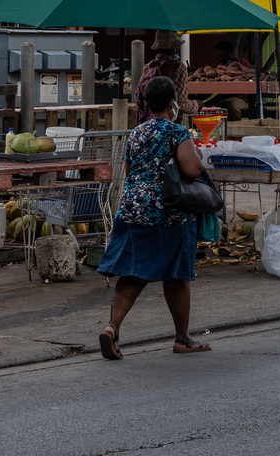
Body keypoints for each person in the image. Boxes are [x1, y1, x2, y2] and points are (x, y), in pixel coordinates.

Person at [98, 76, 208, 359]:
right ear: (173, 103)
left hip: (133, 210)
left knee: (133, 274)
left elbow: (131, 167)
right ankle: (182, 339)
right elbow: (193, 169)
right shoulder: (177, 132)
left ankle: (112, 328)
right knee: (177, 276)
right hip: (169, 213)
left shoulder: (135, 133)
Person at [135, 31, 194, 124]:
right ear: (175, 48)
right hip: (171, 125)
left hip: (149, 124)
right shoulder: (178, 67)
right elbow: (181, 103)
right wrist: (197, 105)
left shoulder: (148, 67)